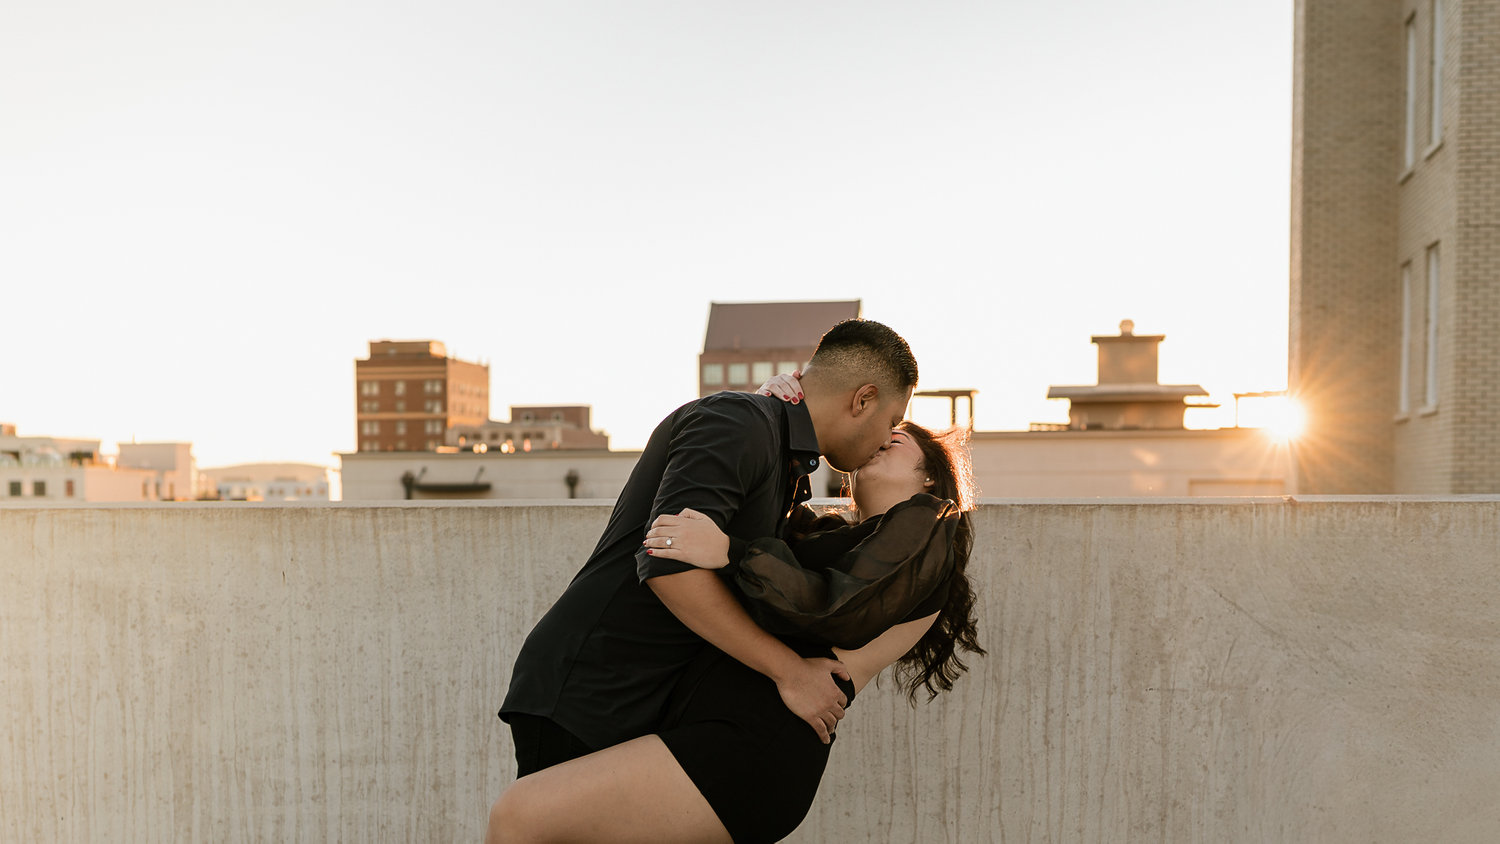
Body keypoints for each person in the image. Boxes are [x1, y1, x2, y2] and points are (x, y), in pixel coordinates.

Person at [486, 415, 984, 843]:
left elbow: (835, 609)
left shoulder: (931, 525)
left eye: (895, 440)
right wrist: (781, 414)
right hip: (717, 734)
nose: (880, 437)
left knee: (522, 816)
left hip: (754, 748)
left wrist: (730, 551)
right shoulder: (836, 538)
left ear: (929, 481)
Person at [497, 319, 919, 782]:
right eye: (892, 422)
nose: (886, 438)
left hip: (642, 698)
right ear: (863, 399)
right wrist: (791, 673)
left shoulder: (781, 453)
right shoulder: (737, 421)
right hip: (588, 693)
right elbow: (669, 565)